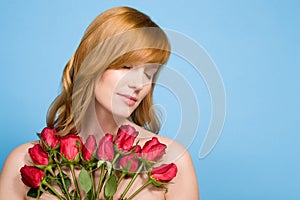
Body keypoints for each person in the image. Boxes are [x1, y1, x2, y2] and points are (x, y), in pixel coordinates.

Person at [0, 6, 199, 199]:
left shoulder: (173, 160)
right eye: (126, 66)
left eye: (149, 74)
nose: (139, 84)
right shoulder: (23, 163)